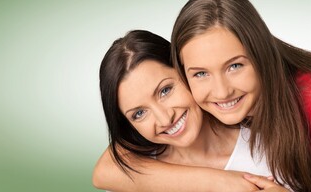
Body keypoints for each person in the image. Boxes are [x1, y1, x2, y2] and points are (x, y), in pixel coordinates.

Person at [170, 0, 311, 192]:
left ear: (261, 55)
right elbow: (121, 168)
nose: (222, 92)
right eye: (201, 74)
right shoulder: (184, 114)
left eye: (235, 66)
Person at [93, 29, 288, 191]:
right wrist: (219, 182)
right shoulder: (134, 175)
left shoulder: (270, 149)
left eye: (165, 90)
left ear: (187, 72)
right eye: (139, 113)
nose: (164, 119)